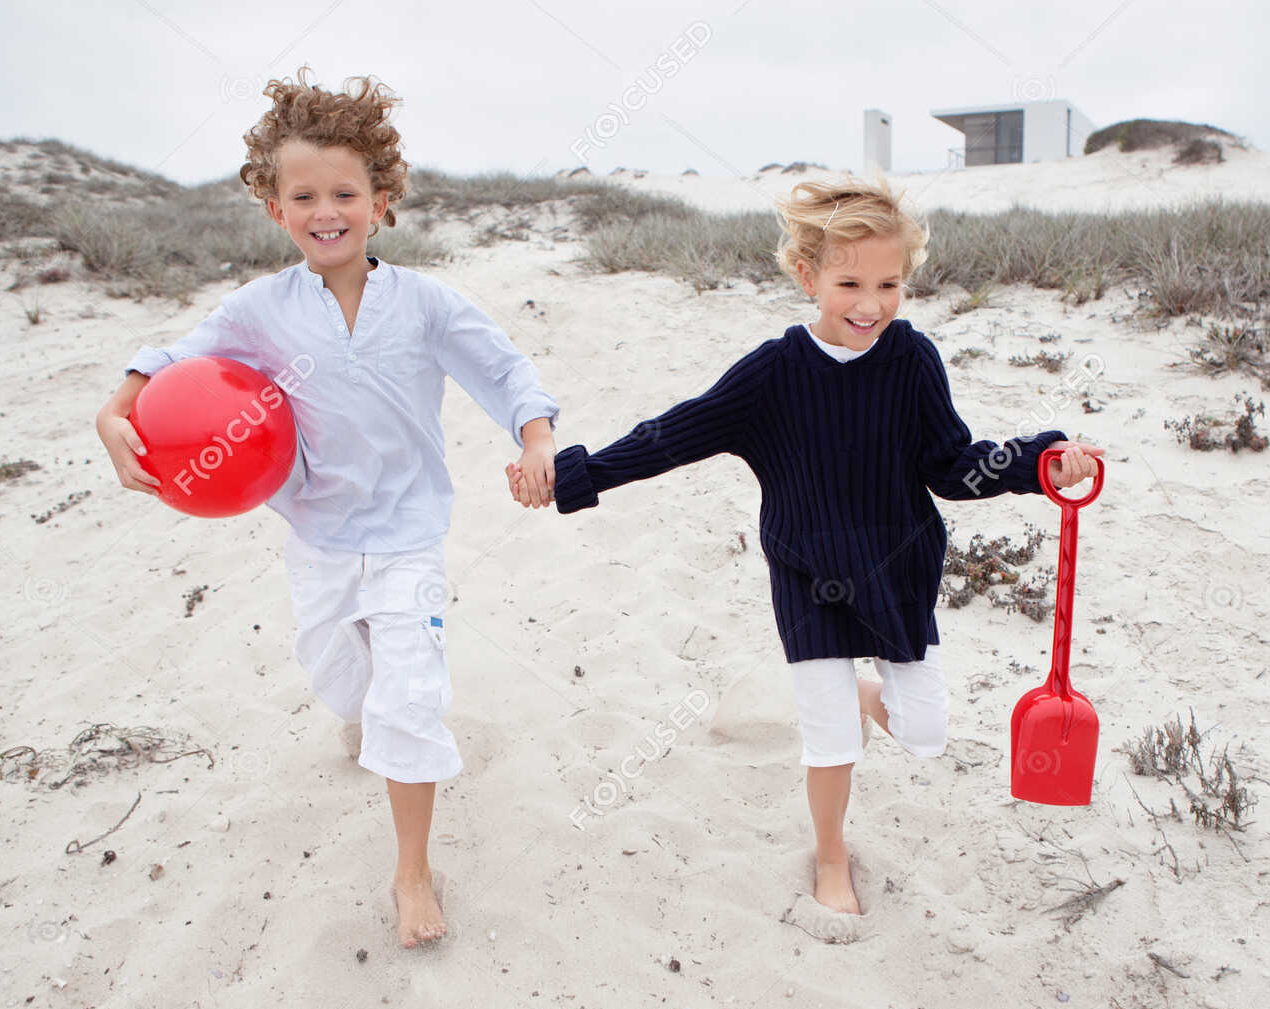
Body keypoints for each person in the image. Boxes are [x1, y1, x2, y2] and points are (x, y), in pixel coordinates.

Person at [508, 176, 1103, 917]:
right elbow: (674, 434)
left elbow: (952, 465)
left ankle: (859, 693)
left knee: (925, 732)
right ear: (807, 276)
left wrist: (1041, 462)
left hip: (898, 570)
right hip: (809, 573)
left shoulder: (913, 360)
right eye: (849, 281)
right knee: (832, 745)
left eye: (889, 284)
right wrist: (574, 477)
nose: (870, 303)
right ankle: (831, 854)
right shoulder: (773, 375)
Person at [94, 70, 560, 948]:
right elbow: (176, 357)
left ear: (380, 201)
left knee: (408, 697)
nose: (325, 210)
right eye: (302, 195)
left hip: (409, 534)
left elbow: (503, 369)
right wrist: (115, 407)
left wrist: (535, 437)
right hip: (316, 534)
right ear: (275, 209)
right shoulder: (262, 312)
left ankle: (412, 870)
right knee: (340, 678)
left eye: (344, 193)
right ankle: (364, 706)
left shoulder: (423, 304)